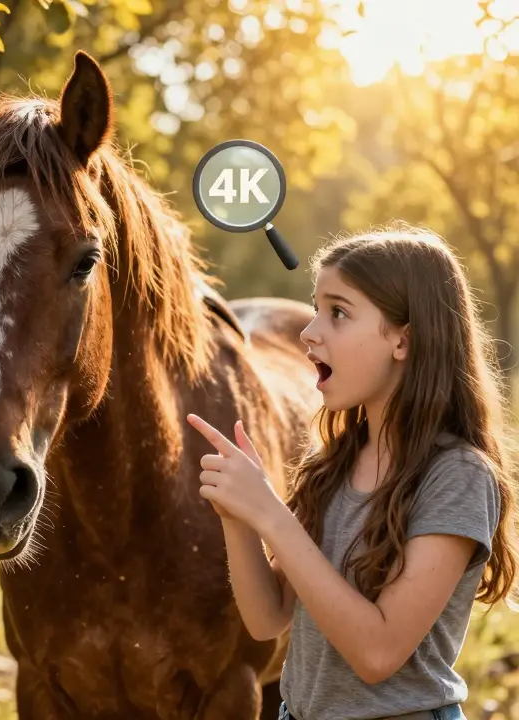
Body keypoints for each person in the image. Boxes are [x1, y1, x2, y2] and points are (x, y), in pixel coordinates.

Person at [186, 225, 518, 720]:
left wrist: (271, 514)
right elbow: (268, 618)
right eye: (315, 308)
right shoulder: (333, 463)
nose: (309, 331)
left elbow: (378, 653)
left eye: (338, 313)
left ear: (404, 340)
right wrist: (239, 518)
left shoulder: (458, 477)